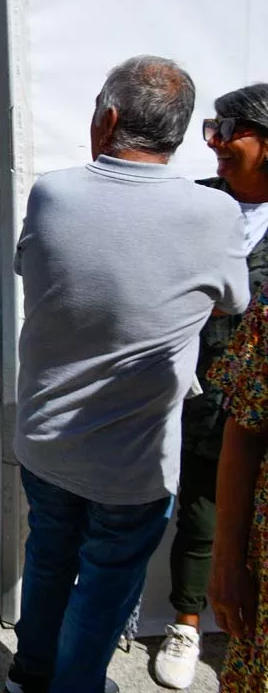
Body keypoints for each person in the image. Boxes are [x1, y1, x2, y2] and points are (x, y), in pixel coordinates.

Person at [7, 56, 249, 693]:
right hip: (136, 461)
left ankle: (29, 676)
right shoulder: (216, 215)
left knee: (50, 560)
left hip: (48, 436)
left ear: (107, 118)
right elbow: (235, 299)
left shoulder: (54, 192)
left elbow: (30, 268)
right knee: (107, 584)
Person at [196, 85, 268, 693]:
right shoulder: (197, 205)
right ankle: (185, 620)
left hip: (243, 397)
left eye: (229, 129)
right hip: (192, 393)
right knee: (193, 502)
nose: (215, 142)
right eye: (212, 128)